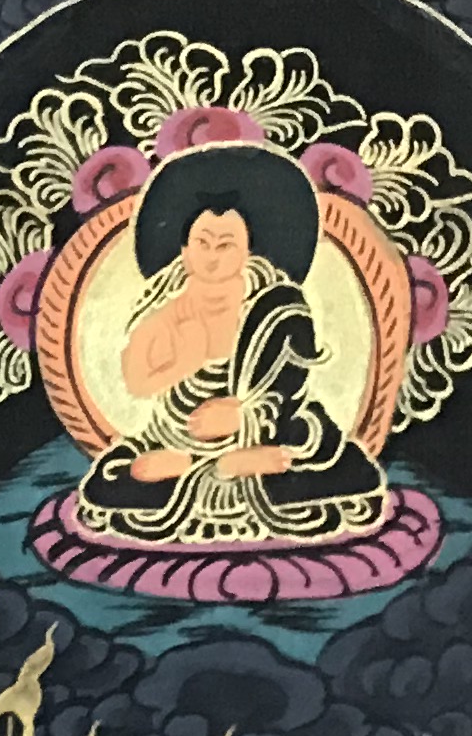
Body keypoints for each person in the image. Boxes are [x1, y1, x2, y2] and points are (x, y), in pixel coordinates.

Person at [66, 142, 389, 548]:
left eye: (226, 245)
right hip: (176, 437)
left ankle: (217, 467)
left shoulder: (279, 310)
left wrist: (243, 419)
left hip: (266, 435)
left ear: (249, 249)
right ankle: (215, 465)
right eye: (202, 243)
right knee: (116, 481)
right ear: (184, 250)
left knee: (339, 463)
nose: (213, 257)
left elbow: (288, 395)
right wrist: (180, 364)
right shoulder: (168, 313)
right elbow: (136, 382)